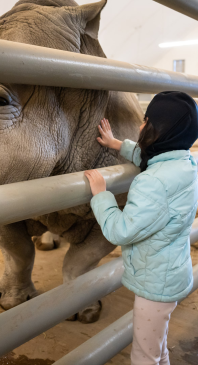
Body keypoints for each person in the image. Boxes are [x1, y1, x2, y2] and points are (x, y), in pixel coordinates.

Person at [85, 91, 198, 365]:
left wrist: (101, 195)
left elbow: (120, 230)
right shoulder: (186, 164)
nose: (139, 126)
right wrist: (117, 144)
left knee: (144, 356)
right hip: (172, 274)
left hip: (154, 286)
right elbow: (153, 157)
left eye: (146, 121)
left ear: (161, 130)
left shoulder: (152, 183)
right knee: (157, 346)